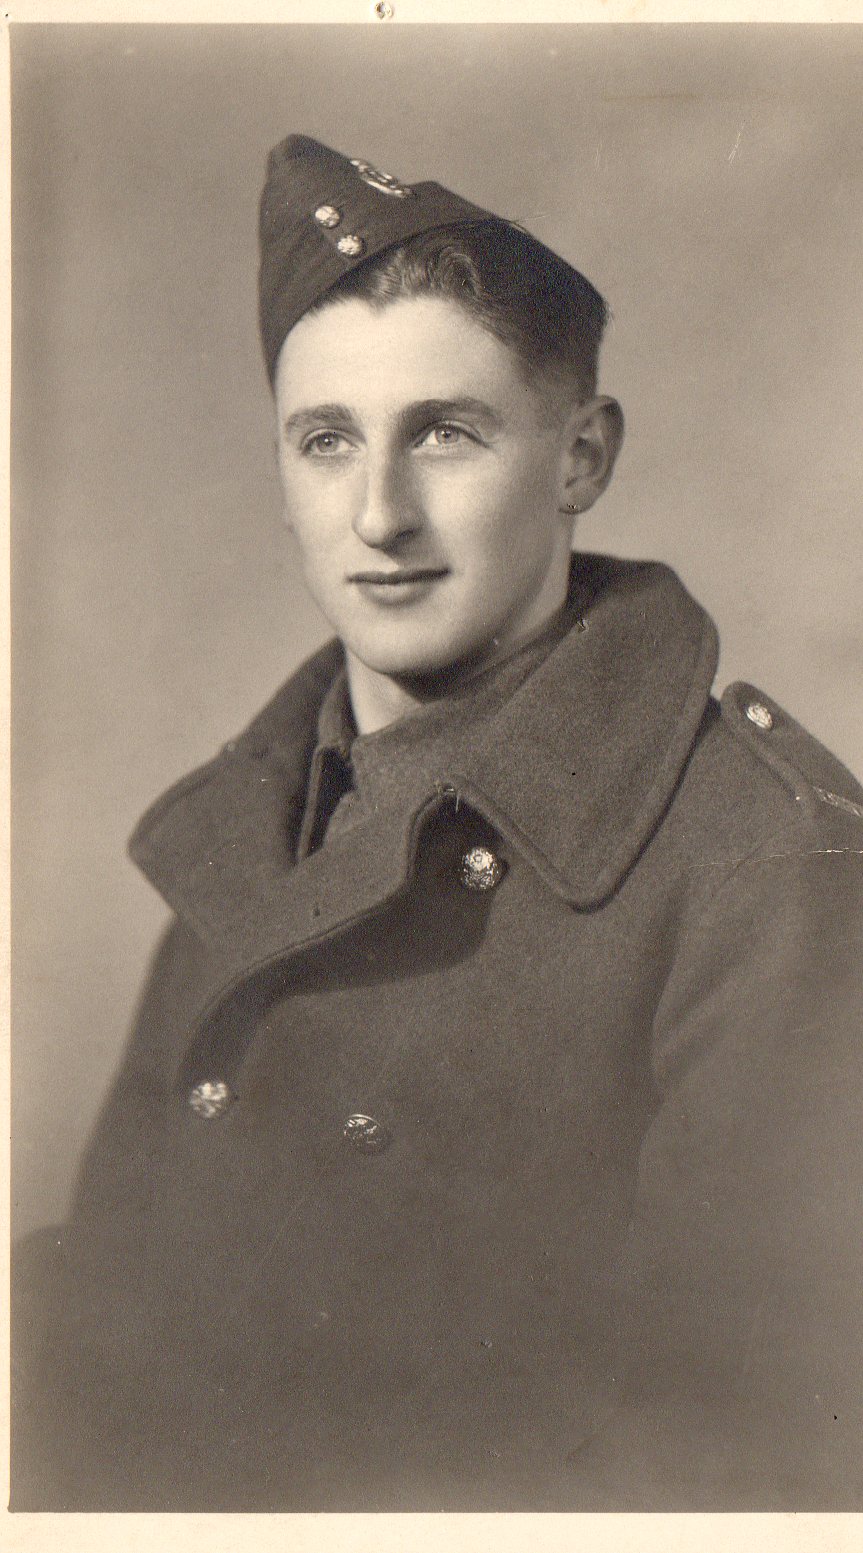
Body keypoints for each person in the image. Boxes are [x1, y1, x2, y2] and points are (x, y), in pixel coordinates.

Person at [12, 133, 863, 1513]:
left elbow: (740, 1466)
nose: (378, 514)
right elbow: (111, 1332)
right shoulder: (248, 841)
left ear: (581, 458)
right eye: (326, 440)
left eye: (445, 433)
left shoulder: (767, 866)